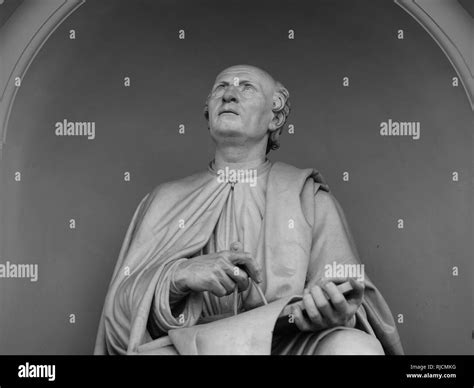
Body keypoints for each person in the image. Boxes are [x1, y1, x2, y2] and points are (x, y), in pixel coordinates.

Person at [94, 65, 403, 355]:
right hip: (190, 344)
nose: (229, 94)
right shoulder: (166, 199)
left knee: (353, 349)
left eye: (247, 88)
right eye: (221, 88)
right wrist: (178, 276)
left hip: (285, 341)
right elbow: (118, 320)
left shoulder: (306, 196)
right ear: (209, 114)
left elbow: (348, 287)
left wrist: (332, 306)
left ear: (275, 118)